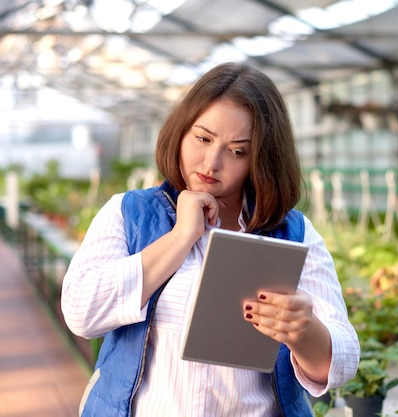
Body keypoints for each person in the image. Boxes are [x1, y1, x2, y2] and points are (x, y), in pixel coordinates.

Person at [61, 61, 360, 417]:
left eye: (237, 151)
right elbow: (81, 312)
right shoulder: (128, 214)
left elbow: (342, 361)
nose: (211, 162)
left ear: (261, 160)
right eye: (203, 138)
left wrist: (304, 331)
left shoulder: (293, 233)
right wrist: (180, 237)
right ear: (182, 131)